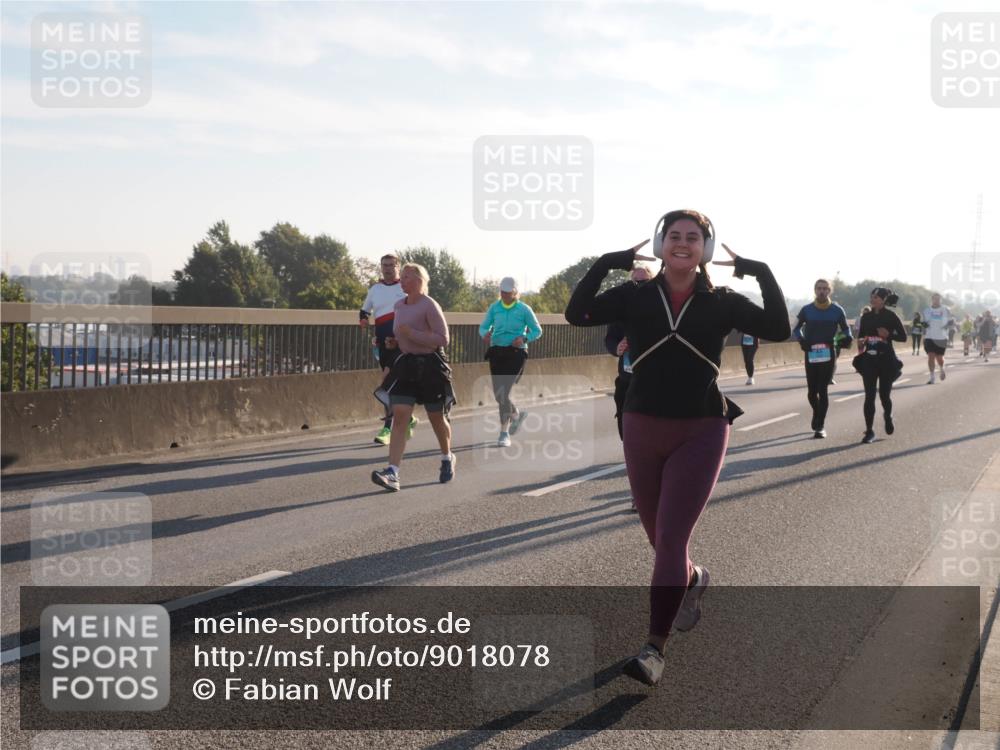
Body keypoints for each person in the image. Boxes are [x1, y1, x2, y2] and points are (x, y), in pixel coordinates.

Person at [565, 209, 790, 686]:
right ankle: (691, 578)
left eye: (693, 237)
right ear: (659, 243)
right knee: (658, 539)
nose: (682, 243)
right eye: (674, 236)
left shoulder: (722, 301)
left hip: (702, 428)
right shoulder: (634, 295)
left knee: (670, 540)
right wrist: (607, 262)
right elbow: (576, 313)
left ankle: (654, 649)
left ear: (705, 248)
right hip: (642, 425)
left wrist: (762, 272)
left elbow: (777, 328)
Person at [371, 264, 456, 491]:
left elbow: (442, 339)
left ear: (419, 280)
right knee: (400, 416)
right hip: (406, 365)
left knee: (436, 416)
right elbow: (402, 334)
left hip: (430, 367)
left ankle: (447, 457)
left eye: (407, 277)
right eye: (403, 277)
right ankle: (393, 473)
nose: (402, 280)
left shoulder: (429, 305)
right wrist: (395, 342)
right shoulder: (399, 305)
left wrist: (413, 335)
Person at [605, 261, 656, 512]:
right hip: (626, 383)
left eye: (644, 282)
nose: (638, 287)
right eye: (634, 282)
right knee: (630, 441)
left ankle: (647, 490)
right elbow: (610, 338)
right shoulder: (621, 311)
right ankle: (640, 489)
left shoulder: (663, 310)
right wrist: (617, 348)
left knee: (650, 442)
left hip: (653, 384)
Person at [479, 277, 543, 447]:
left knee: (503, 392)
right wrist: (485, 334)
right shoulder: (495, 308)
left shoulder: (524, 309)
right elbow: (483, 327)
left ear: (515, 292)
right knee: (498, 394)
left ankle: (503, 433)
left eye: (507, 292)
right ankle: (515, 413)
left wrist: (524, 338)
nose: (504, 295)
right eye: (502, 292)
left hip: (516, 353)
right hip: (497, 352)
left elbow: (537, 330)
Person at [360, 254, 416, 445]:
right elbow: (364, 310)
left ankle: (387, 427)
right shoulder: (375, 289)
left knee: (387, 382)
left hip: (403, 344)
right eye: (385, 265)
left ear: (398, 267)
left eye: (392, 265)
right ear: (381, 267)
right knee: (391, 385)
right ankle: (408, 418)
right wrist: (363, 320)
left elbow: (417, 310)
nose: (388, 268)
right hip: (383, 344)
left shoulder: (406, 288)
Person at [793, 279, 852, 438]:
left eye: (825, 289)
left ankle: (820, 425)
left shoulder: (837, 310)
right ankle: (817, 413)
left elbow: (846, 330)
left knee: (822, 389)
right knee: (812, 392)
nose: (822, 291)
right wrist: (802, 340)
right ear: (815, 290)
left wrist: (845, 338)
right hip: (811, 352)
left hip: (828, 353)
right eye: (819, 288)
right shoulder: (807, 310)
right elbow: (796, 329)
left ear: (829, 291)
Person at [853, 288, 907, 443]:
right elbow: (862, 335)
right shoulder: (866, 317)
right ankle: (869, 431)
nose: (872, 299)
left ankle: (888, 416)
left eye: (876, 297)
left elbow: (903, 337)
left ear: (883, 300)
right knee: (869, 396)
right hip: (869, 360)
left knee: (884, 396)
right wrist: (862, 342)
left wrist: (888, 335)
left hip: (886, 361)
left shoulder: (891, 316)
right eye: (871, 297)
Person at [922, 293, 954, 384]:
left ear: (941, 300)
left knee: (939, 358)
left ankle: (941, 368)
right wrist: (924, 329)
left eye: (938, 299)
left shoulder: (945, 309)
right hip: (929, 337)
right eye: (935, 299)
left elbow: (951, 321)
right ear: (932, 300)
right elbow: (923, 323)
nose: (936, 301)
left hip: (941, 337)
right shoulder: (927, 310)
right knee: (930, 356)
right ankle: (932, 377)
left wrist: (945, 326)